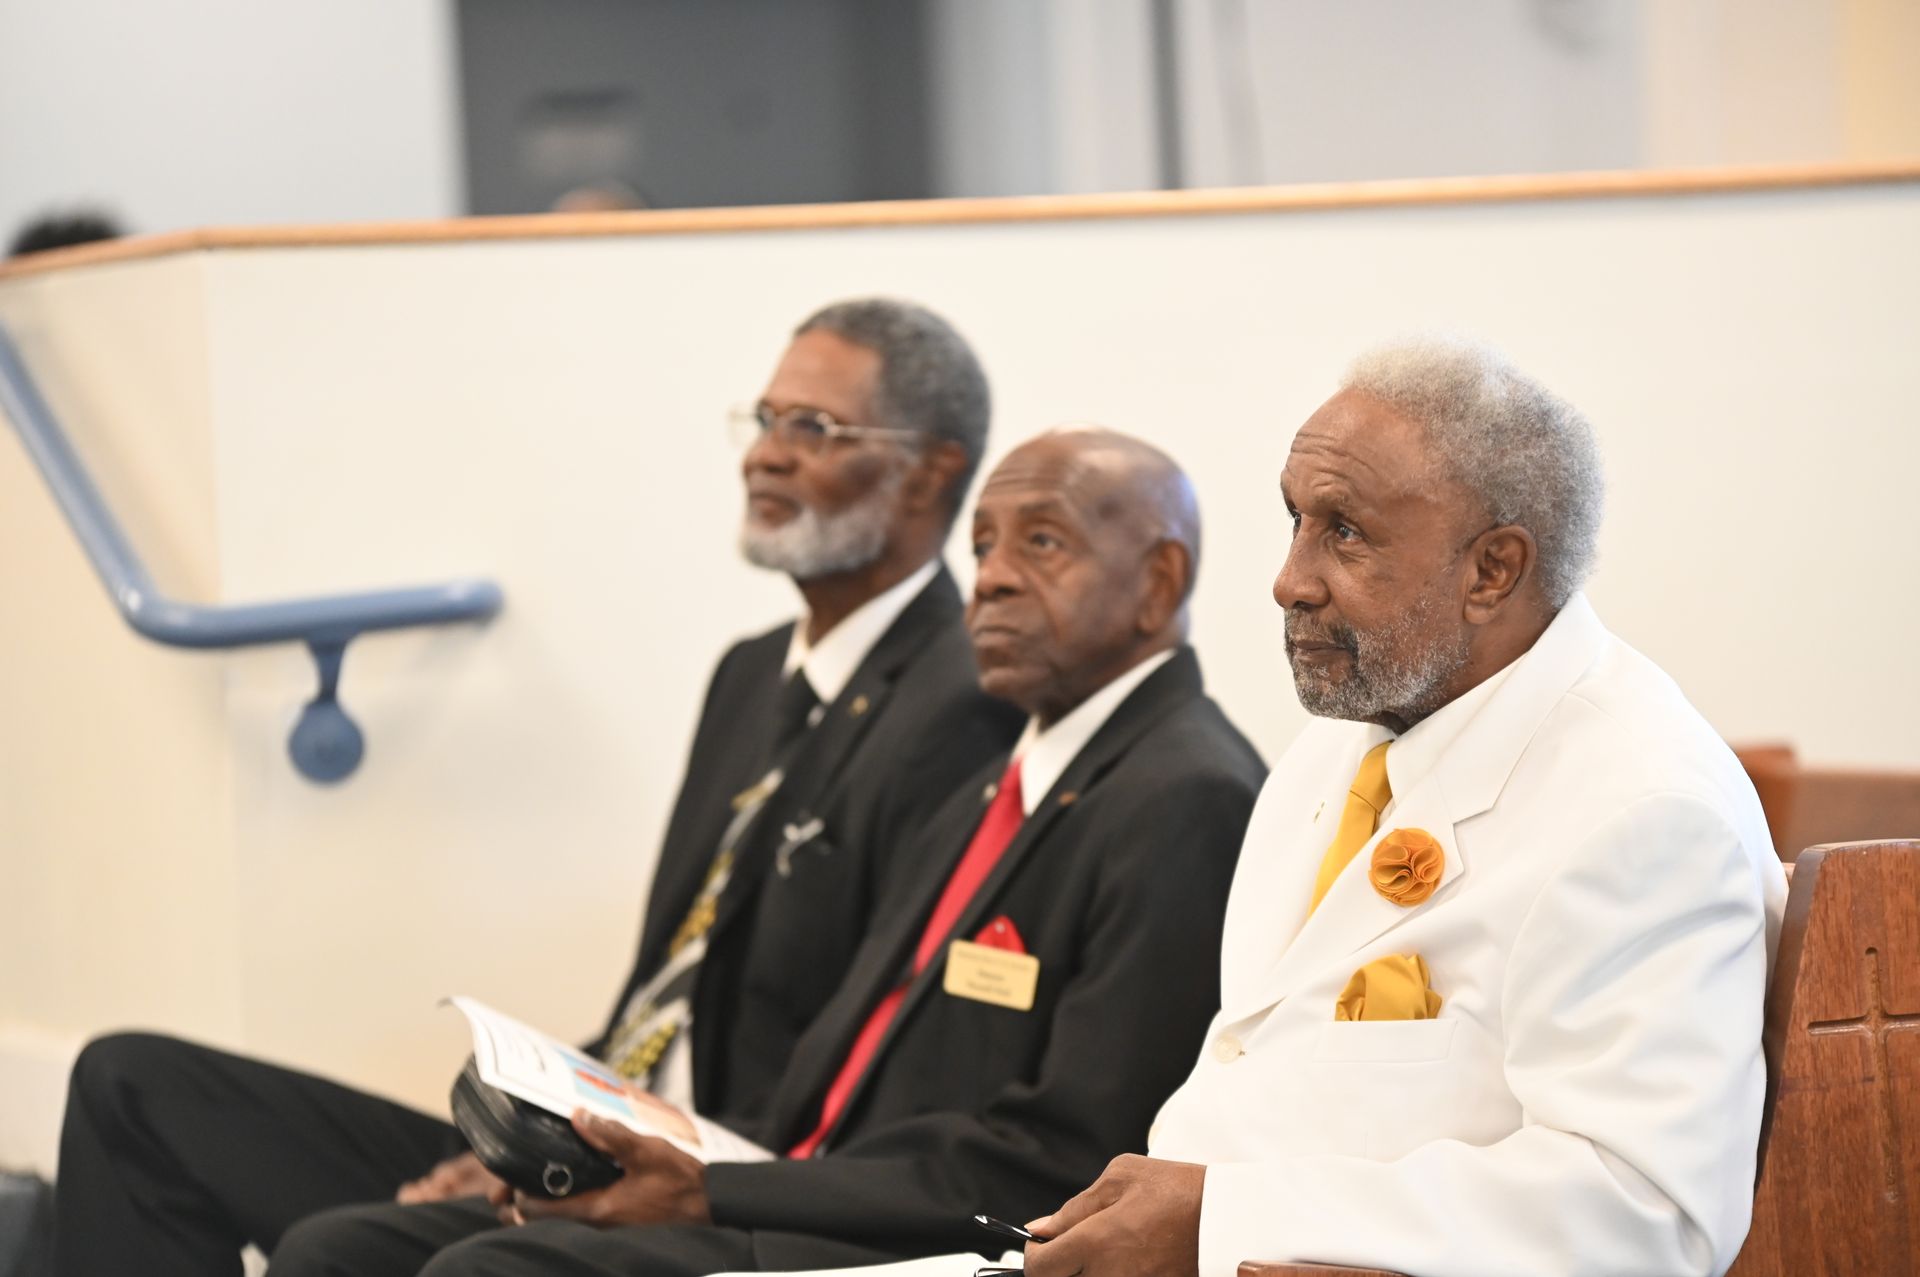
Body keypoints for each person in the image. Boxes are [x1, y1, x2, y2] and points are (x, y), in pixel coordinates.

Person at [52, 298, 1024, 1277]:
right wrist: (525, 1129)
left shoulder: (966, 703)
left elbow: (863, 1058)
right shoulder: (750, 672)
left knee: (336, 1252)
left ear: (931, 470)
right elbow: (671, 990)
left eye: (812, 427)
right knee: (131, 1083)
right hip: (592, 1133)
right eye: (765, 420)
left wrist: (642, 1164)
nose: (766, 454)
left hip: (719, 1188)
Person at [263, 426, 1268, 1276]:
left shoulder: (1185, 793)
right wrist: (654, 1152)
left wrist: (717, 1190)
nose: (992, 577)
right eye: (983, 545)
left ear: (1159, 581)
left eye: (1041, 543)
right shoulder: (1010, 779)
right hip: (803, 1192)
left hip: (928, 1242)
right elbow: (842, 1043)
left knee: (488, 1271)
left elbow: (1058, 1155)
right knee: (342, 1252)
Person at [1015, 337, 1786, 1277]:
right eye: (1296, 519)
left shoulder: (1648, 808)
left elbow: (1644, 1212)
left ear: (1493, 570)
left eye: (1346, 531)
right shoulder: (1338, 746)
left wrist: (1224, 1221)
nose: (1290, 579)